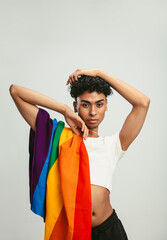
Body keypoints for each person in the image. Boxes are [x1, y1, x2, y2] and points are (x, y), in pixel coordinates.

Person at [9, 68, 150, 240]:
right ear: (76, 106)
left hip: (108, 230)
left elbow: (143, 103)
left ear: (106, 106)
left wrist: (99, 73)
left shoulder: (113, 145)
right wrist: (64, 110)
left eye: (99, 104)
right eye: (85, 104)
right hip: (72, 231)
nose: (92, 112)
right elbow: (16, 91)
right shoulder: (60, 138)